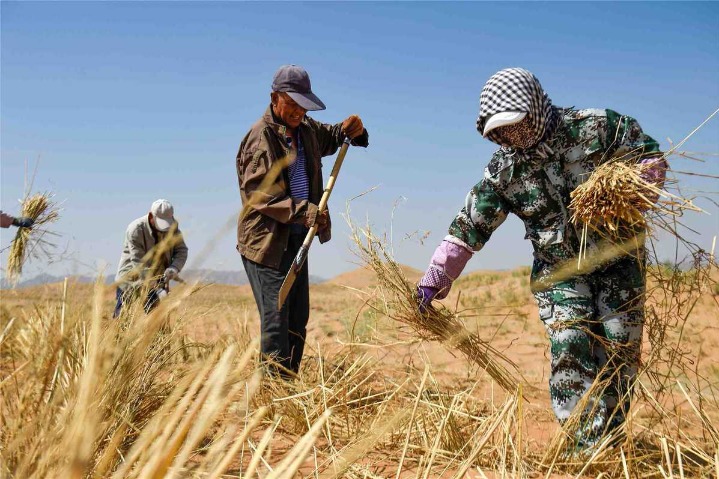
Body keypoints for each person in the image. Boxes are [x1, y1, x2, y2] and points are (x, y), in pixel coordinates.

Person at [416, 68, 667, 452]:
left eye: (516, 124)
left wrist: (635, 189)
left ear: (535, 108)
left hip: (619, 263)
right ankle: (581, 446)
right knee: (570, 346)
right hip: (560, 274)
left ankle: (610, 444)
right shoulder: (503, 172)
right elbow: (469, 226)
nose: (512, 136)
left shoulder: (598, 127)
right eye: (501, 131)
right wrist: (437, 276)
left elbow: (650, 156)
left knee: (619, 352)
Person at [236, 64, 369, 378]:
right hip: (266, 244)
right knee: (276, 321)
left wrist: (353, 129)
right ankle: (270, 397)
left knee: (297, 319)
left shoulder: (305, 129)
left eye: (303, 105)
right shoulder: (262, 138)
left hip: (297, 239)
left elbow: (335, 135)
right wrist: (308, 212)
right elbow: (259, 195)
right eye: (292, 103)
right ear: (275, 98)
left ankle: (288, 388)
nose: (298, 111)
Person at [114, 199, 188, 318]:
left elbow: (181, 251)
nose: (163, 229)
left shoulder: (173, 228)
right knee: (122, 320)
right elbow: (138, 262)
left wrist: (174, 268)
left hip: (157, 279)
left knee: (158, 323)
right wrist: (156, 287)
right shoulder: (135, 229)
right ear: (150, 216)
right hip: (131, 280)